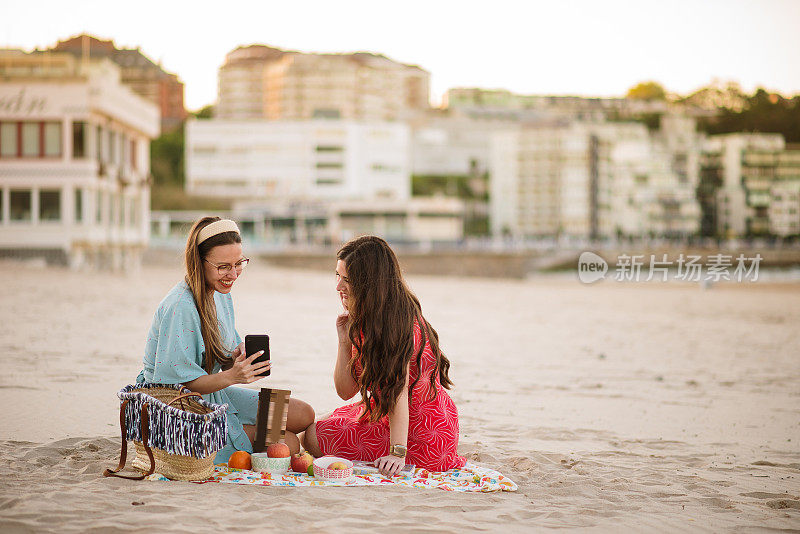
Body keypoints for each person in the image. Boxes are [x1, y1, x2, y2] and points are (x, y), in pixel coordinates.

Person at [136, 216, 314, 463]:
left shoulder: (220, 293)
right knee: (290, 442)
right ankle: (227, 442)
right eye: (224, 267)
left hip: (216, 394)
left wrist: (236, 359)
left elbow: (221, 357)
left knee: (304, 414)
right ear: (199, 262)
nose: (233, 274)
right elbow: (174, 386)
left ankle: (247, 434)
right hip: (181, 410)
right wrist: (231, 376)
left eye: (239, 263)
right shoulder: (181, 306)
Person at [303, 236, 466, 476]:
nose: (338, 286)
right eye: (337, 275)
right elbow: (345, 391)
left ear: (369, 283)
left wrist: (397, 452)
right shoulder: (386, 311)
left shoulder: (390, 326)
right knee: (320, 422)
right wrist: (343, 340)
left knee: (311, 436)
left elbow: (397, 392)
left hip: (417, 432)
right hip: (432, 418)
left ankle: (400, 448)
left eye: (347, 279)